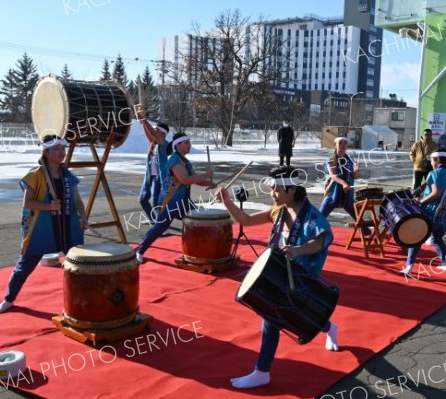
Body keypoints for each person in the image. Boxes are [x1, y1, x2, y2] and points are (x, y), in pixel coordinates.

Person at [215, 166, 337, 389]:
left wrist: (298, 250)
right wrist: (227, 201)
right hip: (280, 274)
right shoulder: (277, 210)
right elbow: (246, 220)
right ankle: (328, 327)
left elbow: (323, 239)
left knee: (272, 318)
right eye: (272, 189)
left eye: (277, 190)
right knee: (282, 315)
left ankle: (262, 371)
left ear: (292, 190)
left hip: (302, 276)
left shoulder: (312, 216)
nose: (273, 194)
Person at [0, 135, 87, 314]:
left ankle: (83, 299)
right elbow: (27, 202)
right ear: (46, 151)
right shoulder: (35, 174)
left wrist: (82, 216)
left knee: (80, 265)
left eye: (63, 149)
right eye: (57, 149)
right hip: (42, 228)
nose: (62, 153)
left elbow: (77, 200)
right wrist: (49, 206)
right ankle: (9, 299)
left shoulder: (67, 175)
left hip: (67, 226)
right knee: (25, 265)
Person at [135, 133, 215, 263]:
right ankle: (139, 251)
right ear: (177, 145)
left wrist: (209, 183)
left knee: (198, 222)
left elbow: (195, 179)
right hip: (170, 201)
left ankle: (199, 251)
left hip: (184, 202)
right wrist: (206, 175)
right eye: (186, 143)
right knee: (159, 228)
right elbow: (185, 179)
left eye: (189, 142)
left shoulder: (186, 162)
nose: (189, 145)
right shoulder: (174, 160)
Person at [400, 151, 446, 275]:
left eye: (432, 159)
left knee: (416, 238)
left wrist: (421, 201)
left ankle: (409, 267)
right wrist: (416, 191)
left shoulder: (434, 172)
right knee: (437, 238)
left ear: (437, 160)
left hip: (431, 212)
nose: (431, 162)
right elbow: (428, 186)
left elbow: (436, 193)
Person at [319, 137, 372, 236]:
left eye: (345, 143)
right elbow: (333, 175)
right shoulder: (331, 159)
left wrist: (356, 170)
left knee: (357, 215)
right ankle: (310, 234)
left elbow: (355, 177)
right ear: (335, 145)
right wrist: (343, 183)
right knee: (320, 216)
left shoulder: (350, 160)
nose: (343, 145)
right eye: (340, 143)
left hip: (347, 194)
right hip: (333, 193)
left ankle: (367, 233)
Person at [138, 109, 169, 223]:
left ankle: (161, 225)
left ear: (162, 133)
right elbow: (150, 133)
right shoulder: (153, 142)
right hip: (150, 176)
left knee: (156, 202)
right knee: (143, 199)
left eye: (157, 130)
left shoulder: (164, 144)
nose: (154, 132)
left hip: (159, 178)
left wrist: (145, 120)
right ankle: (152, 219)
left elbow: (153, 134)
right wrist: (143, 121)